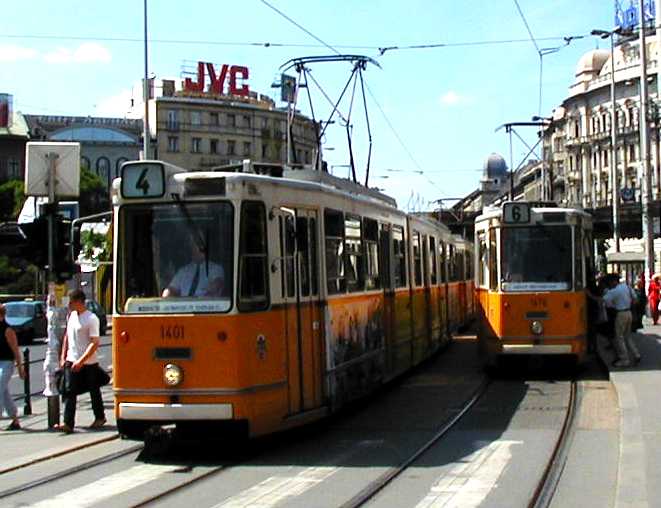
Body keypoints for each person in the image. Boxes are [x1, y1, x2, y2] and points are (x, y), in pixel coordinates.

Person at [57, 289, 106, 434]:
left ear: (79, 302)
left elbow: (94, 342)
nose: (69, 305)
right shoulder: (71, 316)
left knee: (93, 390)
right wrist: (63, 356)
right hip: (71, 359)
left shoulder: (91, 318)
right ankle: (68, 423)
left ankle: (100, 417)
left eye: (71, 302)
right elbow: (67, 336)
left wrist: (81, 360)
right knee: (69, 390)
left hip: (88, 362)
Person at [602, 275, 642, 368]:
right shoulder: (627, 287)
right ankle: (636, 354)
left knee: (619, 337)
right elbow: (635, 300)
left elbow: (604, 301)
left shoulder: (613, 291)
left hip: (620, 314)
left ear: (613, 282)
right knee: (627, 336)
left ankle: (624, 359)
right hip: (629, 313)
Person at [0, 303, 25, 430]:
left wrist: (20, 367)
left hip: (6, 363)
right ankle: (15, 419)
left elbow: (15, 350)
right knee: (4, 392)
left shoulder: (8, 330)